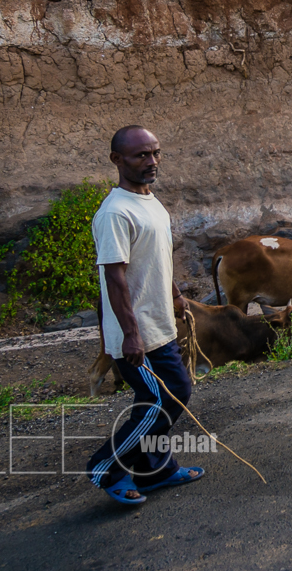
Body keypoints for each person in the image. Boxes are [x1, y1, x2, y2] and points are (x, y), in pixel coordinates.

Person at [85, 125, 206, 506]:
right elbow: (115, 277)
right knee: (168, 397)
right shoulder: (114, 213)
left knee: (155, 399)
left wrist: (174, 294)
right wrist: (130, 335)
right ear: (116, 160)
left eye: (155, 153)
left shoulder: (151, 202)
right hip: (136, 334)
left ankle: (156, 470)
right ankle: (106, 467)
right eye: (140, 155)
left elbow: (156, 259)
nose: (151, 162)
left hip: (159, 325)